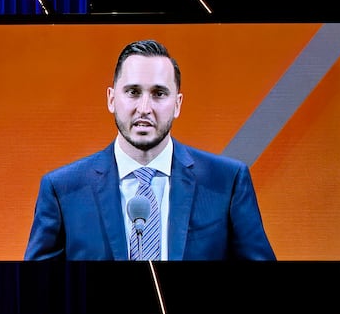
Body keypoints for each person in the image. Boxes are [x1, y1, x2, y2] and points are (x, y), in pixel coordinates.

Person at [23, 39, 275, 261]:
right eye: (133, 92)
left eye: (158, 93)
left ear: (177, 104)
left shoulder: (226, 182)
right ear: (111, 99)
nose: (145, 108)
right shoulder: (63, 189)